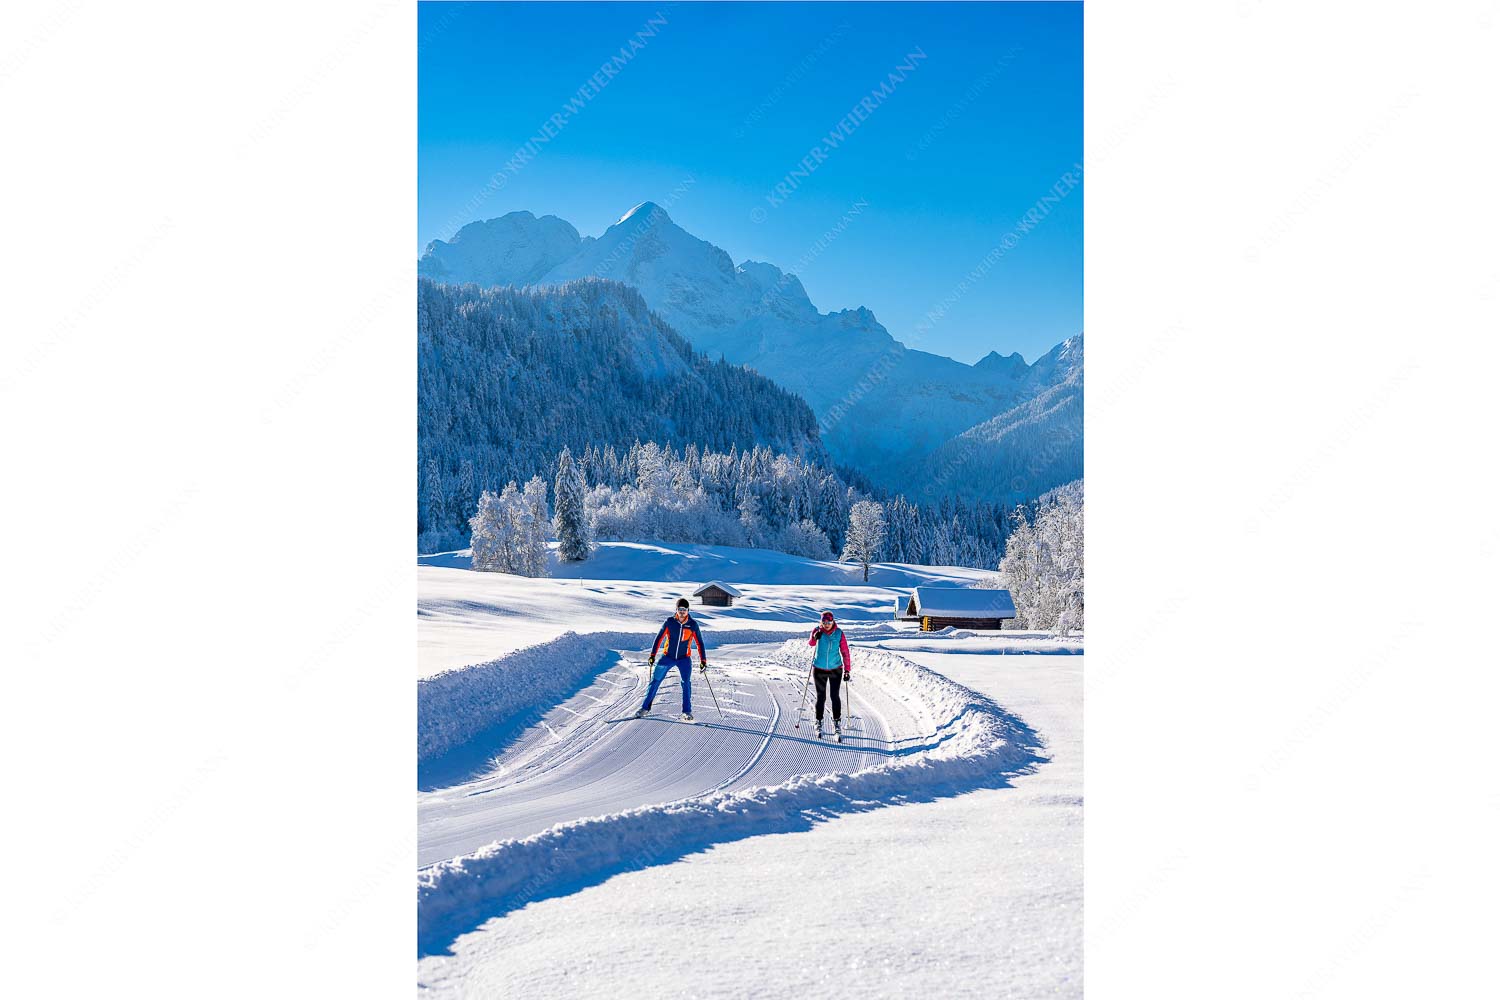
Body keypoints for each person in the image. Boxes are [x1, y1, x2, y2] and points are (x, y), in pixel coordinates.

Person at [637, 597, 709, 722]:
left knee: (686, 683)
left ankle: (686, 712)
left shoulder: (692, 625)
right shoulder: (669, 622)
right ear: (676, 610)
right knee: (655, 681)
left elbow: (700, 643)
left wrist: (703, 661)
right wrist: (652, 655)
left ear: (688, 610)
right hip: (667, 657)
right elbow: (659, 638)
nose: (682, 612)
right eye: (680, 609)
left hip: (684, 659)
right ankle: (644, 708)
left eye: (684, 609)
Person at [806, 610, 852, 740]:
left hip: (835, 669)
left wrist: (847, 670)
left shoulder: (839, 633)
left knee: (834, 696)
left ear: (833, 622)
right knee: (821, 697)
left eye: (829, 622)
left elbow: (845, 651)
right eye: (824, 622)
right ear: (821, 622)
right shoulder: (817, 630)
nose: (826, 624)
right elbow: (811, 643)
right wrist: (815, 637)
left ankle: (837, 723)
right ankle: (819, 722)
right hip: (819, 668)